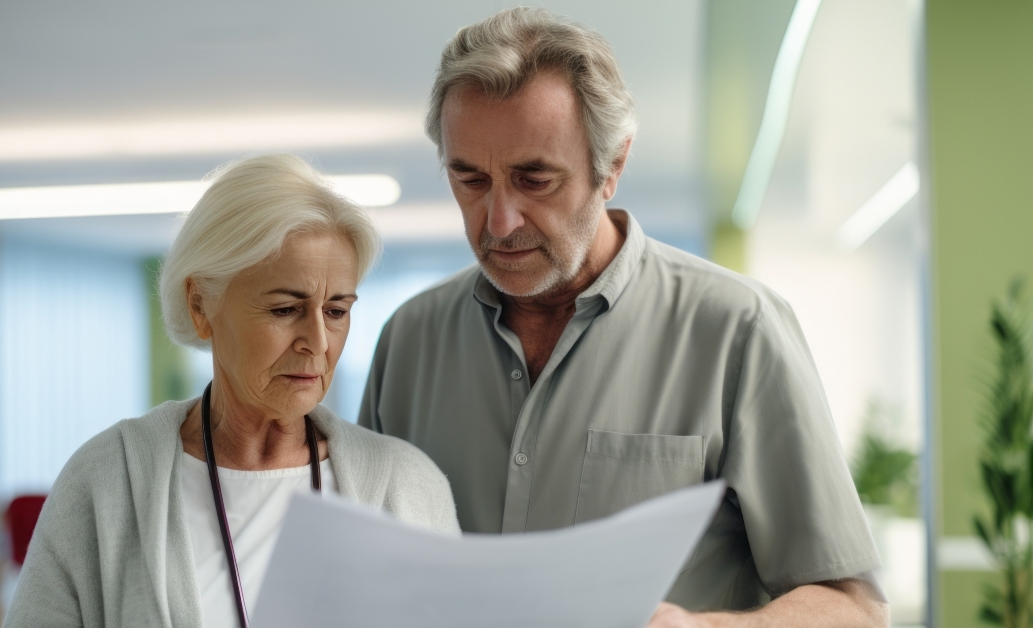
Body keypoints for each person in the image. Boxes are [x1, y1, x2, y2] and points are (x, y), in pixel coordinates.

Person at [359, 7, 887, 626]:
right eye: (469, 179)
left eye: (535, 179)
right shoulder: (409, 340)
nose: (499, 221)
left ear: (612, 166)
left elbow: (855, 607)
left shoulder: (737, 329)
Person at [7, 154, 459, 628]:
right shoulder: (106, 482)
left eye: (336, 311)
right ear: (201, 304)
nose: (319, 343)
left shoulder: (407, 487)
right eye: (286, 309)